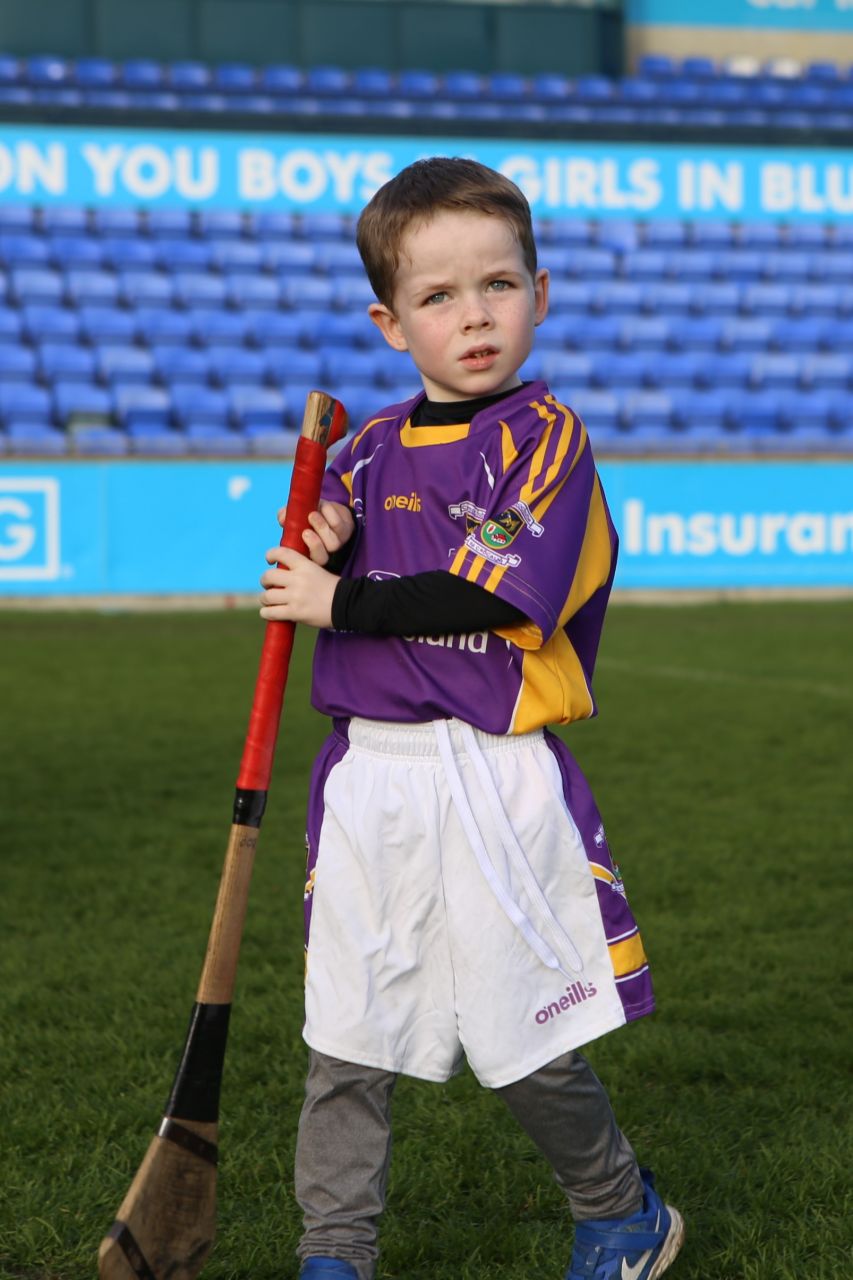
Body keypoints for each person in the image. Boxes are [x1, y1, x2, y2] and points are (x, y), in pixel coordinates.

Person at [259, 157, 684, 1280]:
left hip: (495, 772)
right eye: (437, 296)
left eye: (497, 284)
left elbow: (501, 592)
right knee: (346, 1034)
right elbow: (337, 539)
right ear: (390, 322)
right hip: (369, 776)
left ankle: (619, 1209)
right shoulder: (362, 449)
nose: (474, 314)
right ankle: (334, 1251)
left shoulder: (546, 437)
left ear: (539, 293)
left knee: (525, 1039)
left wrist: (335, 595)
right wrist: (326, 534)